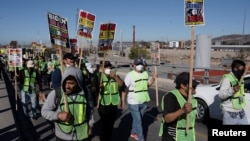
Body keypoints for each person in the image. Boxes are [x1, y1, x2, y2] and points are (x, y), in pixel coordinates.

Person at [41, 66, 94, 141]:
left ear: (78, 83)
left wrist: (90, 125)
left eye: (71, 83)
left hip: (82, 135)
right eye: (65, 82)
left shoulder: (85, 92)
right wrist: (58, 115)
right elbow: (44, 111)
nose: (67, 86)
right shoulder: (56, 93)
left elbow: (90, 110)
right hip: (63, 136)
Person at [158, 72, 199, 141]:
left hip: (188, 136)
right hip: (173, 136)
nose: (195, 89)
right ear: (182, 85)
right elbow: (167, 119)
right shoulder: (171, 97)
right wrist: (182, 110)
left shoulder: (192, 99)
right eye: (193, 86)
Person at [124, 58, 157, 141]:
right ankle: (140, 138)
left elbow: (147, 85)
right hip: (133, 100)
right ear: (134, 65)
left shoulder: (145, 73)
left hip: (143, 100)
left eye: (141, 64)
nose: (140, 66)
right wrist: (122, 101)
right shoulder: (129, 75)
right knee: (138, 121)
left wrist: (153, 78)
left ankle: (133, 132)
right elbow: (124, 88)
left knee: (138, 119)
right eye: (138, 64)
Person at [97, 60, 125, 141]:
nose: (108, 68)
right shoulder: (99, 76)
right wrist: (98, 86)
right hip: (103, 104)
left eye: (109, 67)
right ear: (101, 68)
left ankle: (108, 138)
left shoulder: (115, 75)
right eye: (105, 67)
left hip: (113, 104)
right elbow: (94, 87)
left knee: (110, 125)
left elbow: (121, 84)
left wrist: (115, 77)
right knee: (105, 124)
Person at [218, 59, 248, 125]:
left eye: (244, 69)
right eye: (241, 69)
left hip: (240, 111)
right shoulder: (227, 79)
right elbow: (221, 95)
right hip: (229, 112)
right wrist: (232, 90)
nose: (243, 71)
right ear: (235, 69)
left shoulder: (240, 78)